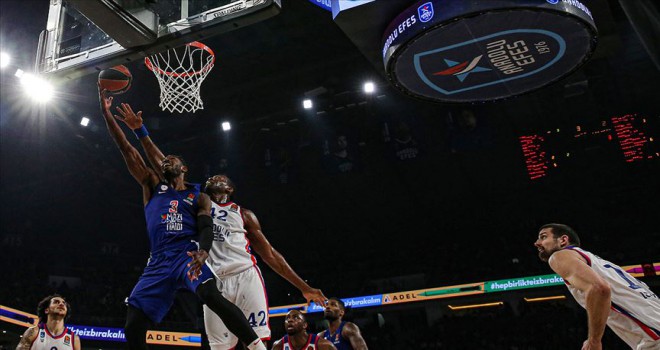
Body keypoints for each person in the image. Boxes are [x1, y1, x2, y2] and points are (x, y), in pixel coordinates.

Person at [98, 90, 267, 350]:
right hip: (158, 260)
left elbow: (206, 228)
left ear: (184, 168)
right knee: (133, 325)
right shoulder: (152, 185)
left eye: (172, 160)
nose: (166, 161)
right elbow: (127, 150)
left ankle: (256, 345)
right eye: (164, 160)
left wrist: (203, 251)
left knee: (211, 295)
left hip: (186, 254)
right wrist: (107, 114)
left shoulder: (198, 195)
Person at [200, 174, 327, 349]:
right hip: (214, 282)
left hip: (245, 275)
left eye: (219, 178)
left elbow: (270, 255)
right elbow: (171, 176)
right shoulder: (197, 208)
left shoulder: (243, 214)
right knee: (220, 347)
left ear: (229, 189)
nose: (212, 177)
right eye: (212, 177)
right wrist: (148, 145)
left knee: (256, 342)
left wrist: (304, 287)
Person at [534, 223, 660, 350]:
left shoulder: (559, 256)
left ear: (563, 240)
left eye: (543, 237)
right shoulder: (602, 264)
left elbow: (599, 289)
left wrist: (594, 341)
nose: (537, 243)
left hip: (654, 336)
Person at [16, 294, 81, 350]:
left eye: (64, 303)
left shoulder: (74, 339)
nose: (61, 304)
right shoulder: (34, 332)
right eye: (56, 302)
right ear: (47, 310)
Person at [272, 310, 336, 350]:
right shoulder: (278, 346)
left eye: (296, 317)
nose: (290, 320)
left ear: (304, 325)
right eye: (287, 318)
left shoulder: (324, 345)